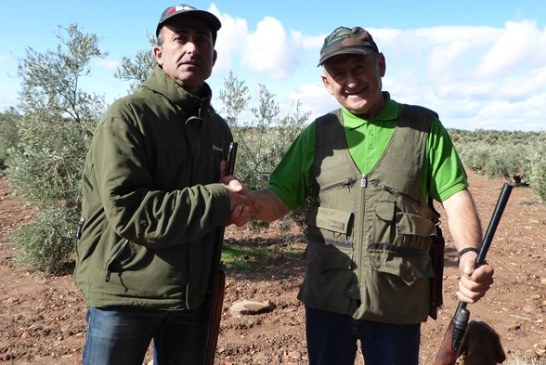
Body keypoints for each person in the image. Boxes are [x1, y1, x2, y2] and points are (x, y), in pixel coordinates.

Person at [250, 26, 495, 365]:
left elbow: (456, 197)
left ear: (381, 64)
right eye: (339, 73)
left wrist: (469, 254)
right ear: (326, 83)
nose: (350, 81)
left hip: (396, 303)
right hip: (328, 303)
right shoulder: (317, 135)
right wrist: (242, 200)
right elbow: (277, 199)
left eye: (359, 67)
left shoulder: (423, 129)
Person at [74, 4, 251, 365]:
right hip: (125, 294)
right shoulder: (128, 117)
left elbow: (214, 207)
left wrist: (233, 204)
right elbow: (132, 212)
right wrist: (221, 199)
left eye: (201, 40)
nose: (192, 48)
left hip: (191, 298)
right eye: (180, 39)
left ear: (213, 56)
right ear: (159, 53)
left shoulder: (218, 129)